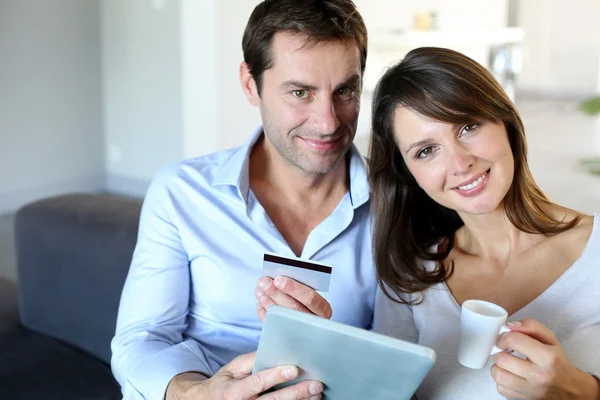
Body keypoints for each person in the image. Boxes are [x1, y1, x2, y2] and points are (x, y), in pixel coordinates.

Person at [110, 1, 377, 399]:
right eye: (301, 92)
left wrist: (327, 346)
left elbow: (404, 349)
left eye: (345, 91)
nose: (328, 122)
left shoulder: (397, 204)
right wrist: (194, 394)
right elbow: (139, 341)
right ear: (251, 84)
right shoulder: (180, 193)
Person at [368, 47, 600, 399]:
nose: (461, 163)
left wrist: (582, 391)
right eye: (426, 151)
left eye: (467, 126)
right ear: (408, 173)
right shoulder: (409, 278)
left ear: (504, 120)